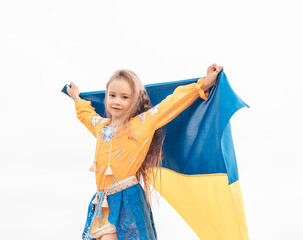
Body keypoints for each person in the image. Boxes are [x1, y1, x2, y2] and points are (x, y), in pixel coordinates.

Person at [67, 63, 223, 240]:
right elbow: (85, 114)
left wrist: (202, 86)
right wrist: (76, 97)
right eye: (112, 95)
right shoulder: (101, 126)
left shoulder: (141, 124)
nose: (117, 101)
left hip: (127, 198)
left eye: (124, 97)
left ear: (135, 101)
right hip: (102, 201)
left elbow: (170, 105)